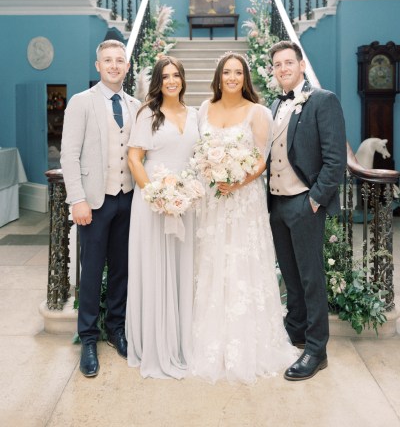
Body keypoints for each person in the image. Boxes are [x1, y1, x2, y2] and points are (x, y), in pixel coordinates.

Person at [191, 53, 298, 384]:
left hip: (243, 199)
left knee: (241, 265)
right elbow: (198, 152)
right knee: (211, 263)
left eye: (238, 72)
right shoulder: (204, 110)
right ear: (219, 76)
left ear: (245, 77)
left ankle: (248, 343)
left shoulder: (258, 112)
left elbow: (263, 160)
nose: (232, 77)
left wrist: (236, 180)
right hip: (213, 200)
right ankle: (210, 339)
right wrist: (210, 172)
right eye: (227, 72)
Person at [268, 40, 347, 381]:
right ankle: (296, 331)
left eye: (289, 63)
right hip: (277, 204)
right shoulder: (274, 105)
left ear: (301, 65)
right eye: (277, 65)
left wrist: (314, 200)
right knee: (291, 276)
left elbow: (334, 160)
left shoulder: (323, 100)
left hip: (304, 203)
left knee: (312, 278)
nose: (283, 69)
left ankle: (317, 349)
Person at [60, 39, 140, 378]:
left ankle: (116, 330)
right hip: (94, 202)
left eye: (119, 60)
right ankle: (89, 338)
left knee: (122, 269)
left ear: (127, 66)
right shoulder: (82, 103)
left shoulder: (135, 105)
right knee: (91, 272)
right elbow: (69, 154)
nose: (114, 65)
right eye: (107, 60)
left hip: (128, 199)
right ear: (98, 66)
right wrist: (77, 199)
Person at [126, 55, 199, 379]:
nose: (172, 81)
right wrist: (157, 195)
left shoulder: (195, 114)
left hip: (187, 199)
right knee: (157, 267)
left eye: (176, 75)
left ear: (182, 80)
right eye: (166, 76)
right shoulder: (147, 114)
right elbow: (135, 159)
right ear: (159, 81)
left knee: (185, 266)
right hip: (154, 201)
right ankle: (157, 342)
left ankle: (184, 339)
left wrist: (186, 192)